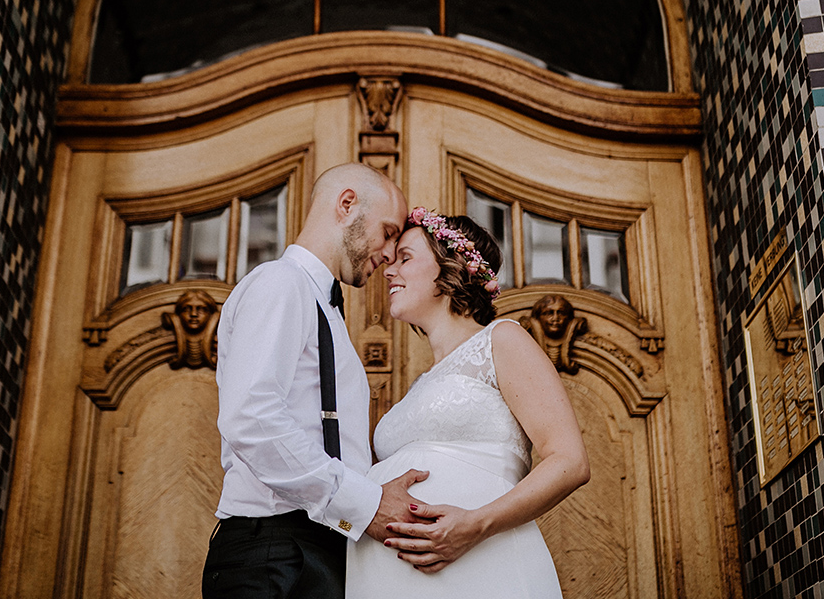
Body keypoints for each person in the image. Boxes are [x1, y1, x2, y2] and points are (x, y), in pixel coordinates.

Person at [203, 163, 428, 599]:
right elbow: (250, 418)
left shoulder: (322, 306)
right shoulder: (280, 283)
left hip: (311, 548)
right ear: (346, 205)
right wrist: (366, 504)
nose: (387, 254)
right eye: (386, 232)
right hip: (274, 555)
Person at [347, 208, 590, 597]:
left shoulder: (502, 339)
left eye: (405, 258)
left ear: (450, 267)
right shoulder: (422, 384)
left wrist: (475, 524)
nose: (389, 271)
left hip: (480, 565)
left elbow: (570, 461)